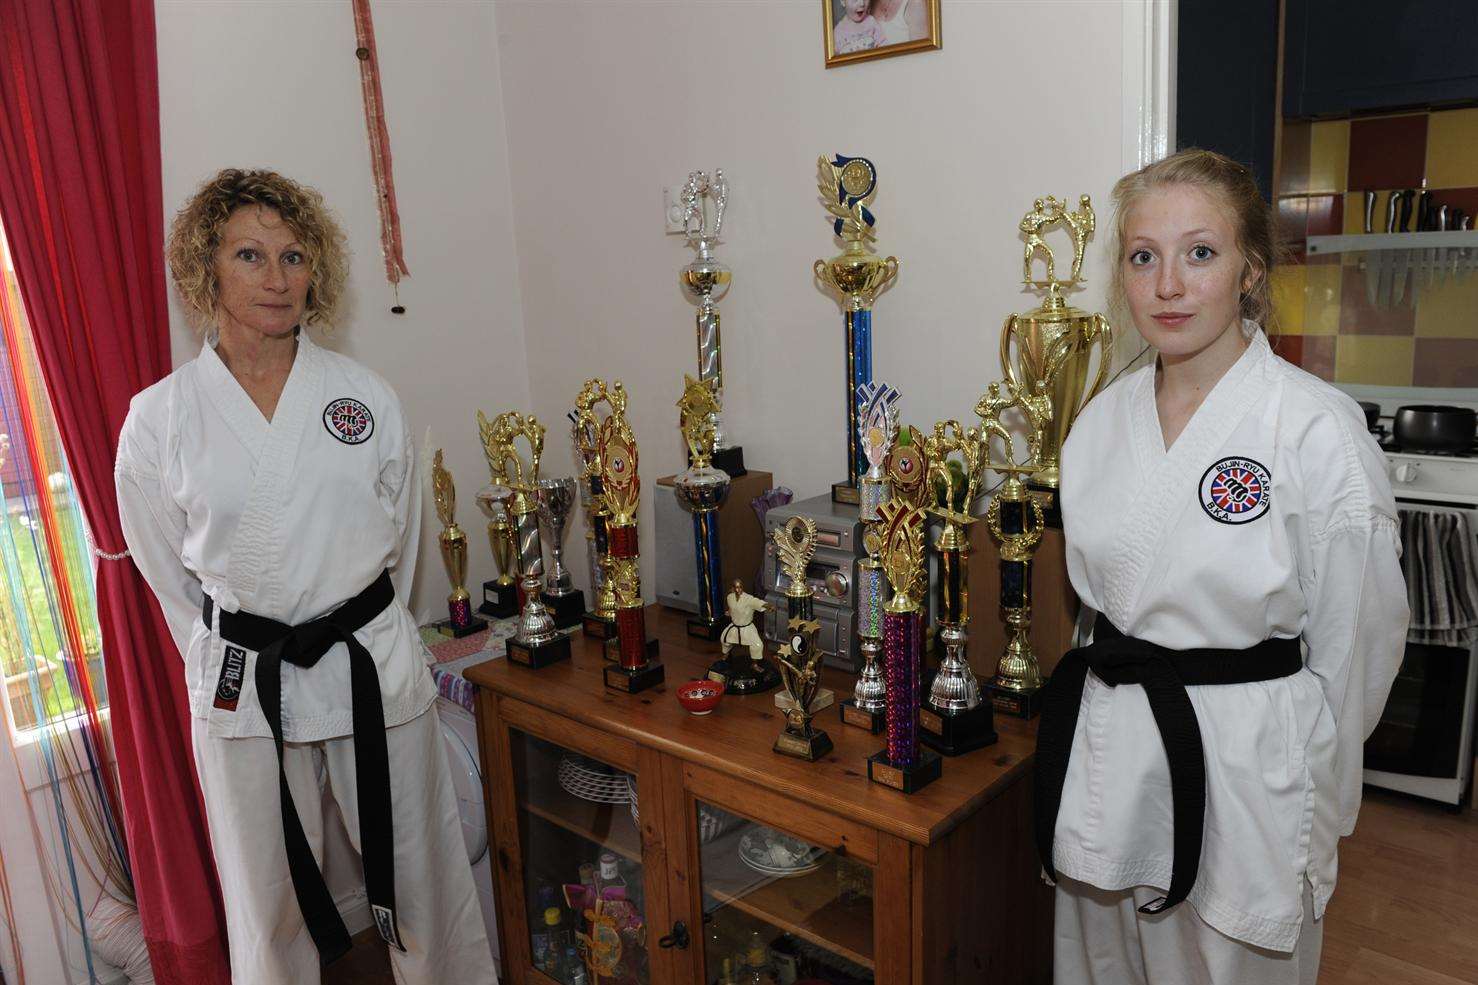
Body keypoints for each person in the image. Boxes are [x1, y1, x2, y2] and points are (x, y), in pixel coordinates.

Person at [114, 169, 497, 985]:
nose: (277, 278)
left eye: (293, 256)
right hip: (247, 675)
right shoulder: (160, 419)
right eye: (249, 254)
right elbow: (166, 566)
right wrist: (249, 628)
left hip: (365, 657)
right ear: (205, 269)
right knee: (266, 901)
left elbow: (400, 538)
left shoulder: (363, 398)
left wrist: (345, 615)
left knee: (419, 877)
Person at [1036, 149, 1408, 984]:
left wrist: (1313, 794)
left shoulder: (1315, 431)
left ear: (1249, 271)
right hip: (1112, 757)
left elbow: (1361, 650)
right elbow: (1099, 613)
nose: (1168, 284)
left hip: (1246, 779)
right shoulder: (1098, 425)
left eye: (1199, 252)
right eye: (1143, 256)